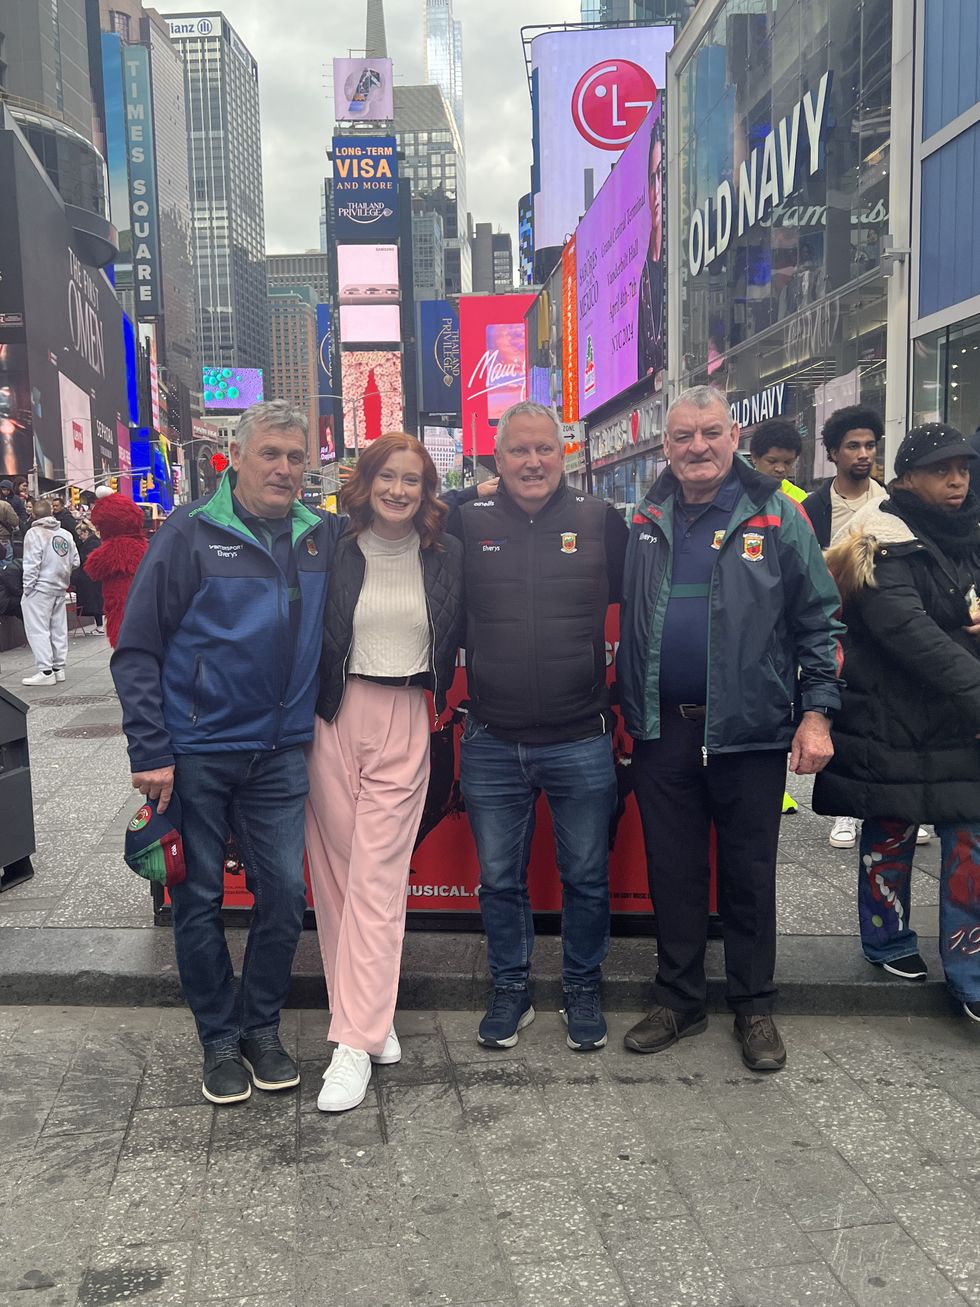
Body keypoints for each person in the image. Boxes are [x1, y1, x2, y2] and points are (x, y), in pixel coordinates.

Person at [111, 400, 344, 1105]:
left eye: (295, 457)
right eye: (269, 453)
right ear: (234, 457)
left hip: (278, 753)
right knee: (199, 897)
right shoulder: (189, 533)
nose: (283, 468)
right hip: (198, 752)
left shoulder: (319, 536)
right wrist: (151, 748)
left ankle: (260, 1025)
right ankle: (218, 1035)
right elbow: (137, 648)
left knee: (284, 896)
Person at [617, 386, 843, 1071]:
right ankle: (680, 998)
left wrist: (817, 712)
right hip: (663, 732)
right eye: (683, 436)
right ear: (666, 446)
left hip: (750, 731)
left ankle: (753, 1004)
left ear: (733, 432)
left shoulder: (779, 512)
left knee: (748, 873)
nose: (697, 446)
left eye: (710, 432)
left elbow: (819, 620)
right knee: (673, 872)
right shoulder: (645, 514)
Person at [450, 401, 629, 1052]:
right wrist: (470, 489)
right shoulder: (468, 523)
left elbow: (644, 608)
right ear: (496, 462)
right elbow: (410, 506)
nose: (532, 461)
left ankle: (582, 985)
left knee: (585, 875)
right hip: (492, 737)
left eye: (544, 449)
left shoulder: (600, 521)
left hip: (581, 735)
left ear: (566, 454)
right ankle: (511, 988)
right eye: (517, 451)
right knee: (500, 877)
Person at [306, 433, 463, 1112]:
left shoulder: (447, 552)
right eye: (387, 476)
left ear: (428, 489)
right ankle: (371, 1017)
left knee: (377, 878)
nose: (399, 490)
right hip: (333, 716)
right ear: (364, 481)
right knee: (339, 879)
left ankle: (350, 1045)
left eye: (413, 479)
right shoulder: (330, 545)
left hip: (405, 717)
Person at [814, 424, 980, 1018]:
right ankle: (887, 939)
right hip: (894, 718)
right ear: (908, 477)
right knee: (890, 833)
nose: (957, 480)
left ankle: (971, 968)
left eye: (963, 468)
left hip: (959, 725)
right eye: (942, 470)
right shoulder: (878, 541)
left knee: (969, 846)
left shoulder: (969, 537)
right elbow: (910, 635)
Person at [802, 406, 886, 549]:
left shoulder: (889, 500)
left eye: (870, 446)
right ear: (834, 453)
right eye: (853, 447)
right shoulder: (812, 509)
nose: (864, 455)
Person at [20, 498, 79, 687]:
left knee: (38, 629)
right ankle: (58, 668)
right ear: (52, 513)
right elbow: (76, 561)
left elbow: (31, 563)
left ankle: (45, 670)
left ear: (33, 515)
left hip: (39, 587)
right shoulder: (65, 534)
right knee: (58, 628)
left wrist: (28, 588)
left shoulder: (34, 533)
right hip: (59, 587)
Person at [85, 491, 148, 646]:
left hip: (120, 604)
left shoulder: (111, 549)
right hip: (145, 604)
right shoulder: (144, 545)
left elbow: (92, 569)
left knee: (123, 642)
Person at [637, 109, 665, 382]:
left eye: (663, 175)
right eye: (653, 177)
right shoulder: (642, 274)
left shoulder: (681, 266)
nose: (657, 190)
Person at [73, 520, 105, 634]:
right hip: (91, 578)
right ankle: (99, 626)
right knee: (95, 601)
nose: (80, 537)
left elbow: (86, 558)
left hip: (91, 579)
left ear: (86, 532)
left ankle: (100, 627)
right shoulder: (93, 542)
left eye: (80, 534)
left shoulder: (92, 543)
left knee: (95, 602)